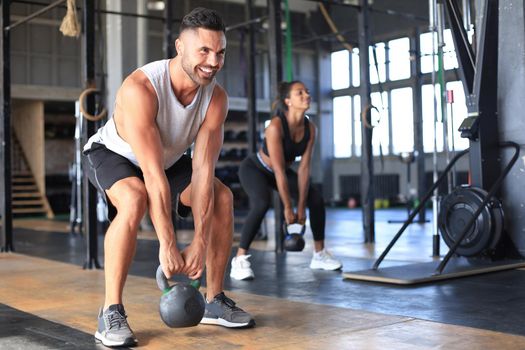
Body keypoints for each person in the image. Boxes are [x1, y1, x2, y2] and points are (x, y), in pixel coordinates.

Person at [83, 8, 254, 348]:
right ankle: (110, 311)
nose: (213, 61)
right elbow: (151, 176)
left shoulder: (215, 98)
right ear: (180, 47)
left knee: (222, 197)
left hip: (169, 158)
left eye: (219, 52)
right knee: (134, 199)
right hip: (115, 154)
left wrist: (200, 240)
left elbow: (204, 171)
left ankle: (215, 300)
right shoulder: (141, 88)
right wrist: (168, 244)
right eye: (203, 51)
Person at [230, 81, 343, 281]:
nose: (306, 95)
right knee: (261, 203)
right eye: (300, 93)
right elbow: (279, 171)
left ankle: (319, 254)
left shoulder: (310, 129)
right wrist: (288, 207)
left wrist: (301, 208)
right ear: (288, 101)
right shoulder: (275, 126)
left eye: (307, 92)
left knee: (315, 199)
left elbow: (304, 169)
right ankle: (239, 259)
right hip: (255, 169)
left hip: (280, 171)